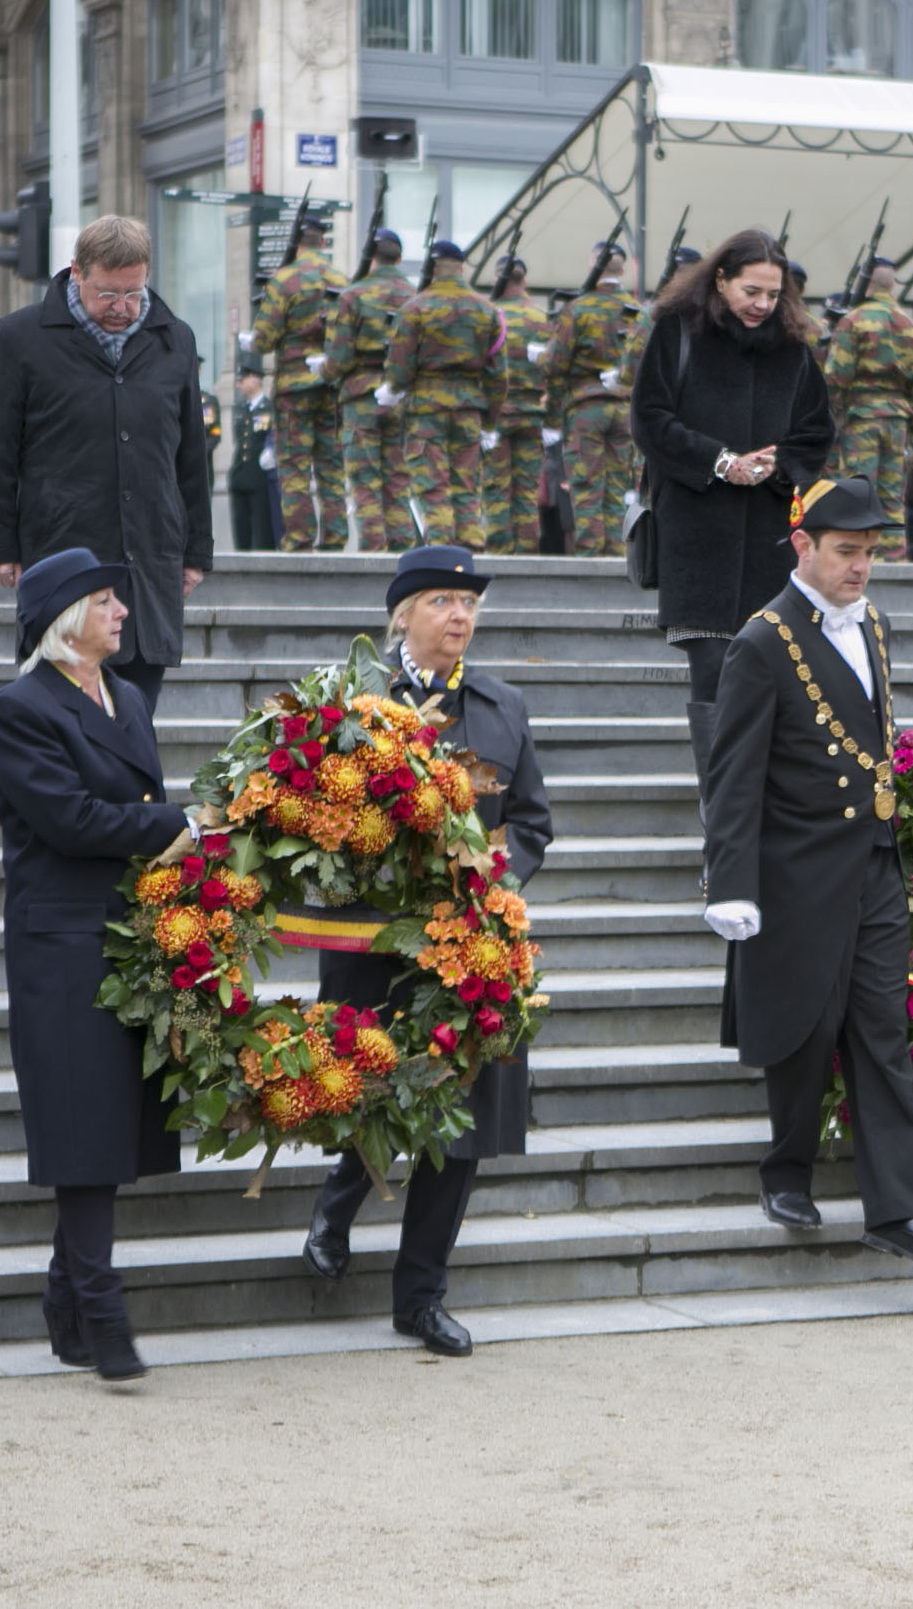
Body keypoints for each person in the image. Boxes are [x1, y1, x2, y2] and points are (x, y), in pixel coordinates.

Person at [700, 475, 913, 1272]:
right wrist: (731, 883)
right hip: (796, 873)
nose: (861, 567)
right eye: (846, 552)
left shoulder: (874, 625)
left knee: (883, 1035)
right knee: (804, 1028)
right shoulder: (761, 640)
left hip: (872, 865)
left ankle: (899, 1212)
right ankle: (786, 1171)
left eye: (870, 552)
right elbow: (734, 775)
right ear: (802, 547)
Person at [300, 544, 553, 1355]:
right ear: (401, 613)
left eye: (470, 603)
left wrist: (495, 872)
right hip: (368, 935)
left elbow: (535, 822)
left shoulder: (502, 706)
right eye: (443, 600)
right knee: (365, 1087)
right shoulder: (349, 699)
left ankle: (420, 1296)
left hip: (466, 944)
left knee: (462, 1118)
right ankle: (337, 1205)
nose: (460, 616)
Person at [0, 547, 209, 1382]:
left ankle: (66, 1300)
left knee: (111, 1122)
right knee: (83, 1123)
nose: (122, 611)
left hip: (129, 930)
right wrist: (177, 826)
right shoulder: (18, 708)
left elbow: (139, 804)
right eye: (106, 599)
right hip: (61, 941)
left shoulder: (131, 699)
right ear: (67, 616)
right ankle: (103, 1312)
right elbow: (70, 819)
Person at [629, 227, 837, 812]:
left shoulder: (794, 347)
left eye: (773, 294)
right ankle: (722, 820)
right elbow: (649, 418)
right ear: (720, 280)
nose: (762, 305)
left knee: (771, 674)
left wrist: (779, 462)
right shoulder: (677, 332)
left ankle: (769, 810)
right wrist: (718, 461)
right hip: (697, 535)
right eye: (751, 291)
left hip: (770, 539)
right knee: (715, 674)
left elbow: (817, 429)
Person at [0, 214, 212, 714]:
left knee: (136, 714)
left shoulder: (176, 340)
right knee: (66, 713)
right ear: (76, 271)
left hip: (149, 555)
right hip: (63, 547)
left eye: (133, 293)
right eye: (107, 294)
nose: (121, 309)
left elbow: (190, 453)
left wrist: (196, 551)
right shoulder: (19, 338)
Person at [379, 240, 507, 551]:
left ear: (432, 269)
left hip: (427, 411)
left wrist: (392, 391)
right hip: (469, 410)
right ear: (462, 267)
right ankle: (471, 547)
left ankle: (441, 550)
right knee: (467, 483)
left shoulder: (414, 309)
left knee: (432, 485)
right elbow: (498, 375)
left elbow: (400, 367)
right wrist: (490, 422)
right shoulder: (488, 311)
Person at [246, 213, 349, 551]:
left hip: (293, 388)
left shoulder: (285, 280)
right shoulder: (341, 280)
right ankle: (336, 536)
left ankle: (301, 538)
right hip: (331, 386)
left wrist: (253, 340)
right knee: (331, 463)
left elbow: (264, 339)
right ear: (323, 242)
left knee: (294, 466)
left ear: (297, 242)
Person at [823, 257, 913, 558]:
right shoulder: (912, 327)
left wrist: (836, 412)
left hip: (862, 418)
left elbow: (836, 377)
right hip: (898, 420)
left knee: (859, 492)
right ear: (892, 284)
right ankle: (894, 558)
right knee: (892, 495)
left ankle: (857, 555)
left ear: (866, 284)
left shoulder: (853, 321)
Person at [325, 227, 418, 551]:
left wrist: (324, 370)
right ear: (400, 258)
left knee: (365, 481)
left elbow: (338, 357)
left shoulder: (353, 295)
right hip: (401, 396)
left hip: (361, 395)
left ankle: (373, 550)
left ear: (371, 257)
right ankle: (402, 547)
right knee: (399, 478)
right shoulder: (415, 295)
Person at [547, 236, 640, 556]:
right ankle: (616, 553)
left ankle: (589, 556)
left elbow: (556, 363)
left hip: (586, 407)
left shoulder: (579, 308)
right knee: (616, 487)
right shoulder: (637, 312)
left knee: (587, 486)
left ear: (593, 264)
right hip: (626, 409)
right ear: (623, 269)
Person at [487, 253, 555, 555]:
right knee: (527, 489)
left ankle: (500, 553)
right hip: (532, 413)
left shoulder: (489, 314)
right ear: (524, 280)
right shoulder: (542, 318)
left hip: (497, 414)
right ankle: (527, 551)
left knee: (496, 486)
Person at [227, 368, 278, 552]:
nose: (238, 384)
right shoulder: (239, 408)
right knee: (241, 528)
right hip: (241, 473)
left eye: (242, 380)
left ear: (255, 380)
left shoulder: (269, 407)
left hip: (260, 475)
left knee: (262, 529)